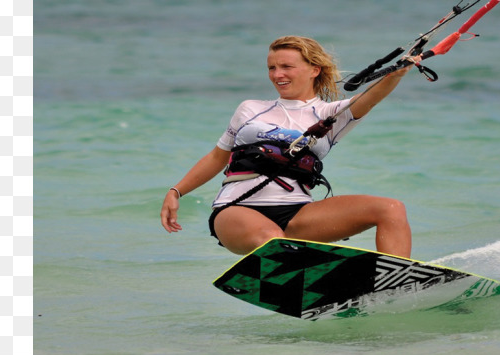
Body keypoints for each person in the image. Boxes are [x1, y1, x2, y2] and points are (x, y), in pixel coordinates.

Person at [160, 35, 413, 258]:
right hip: (237, 209)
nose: (277, 74)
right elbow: (218, 157)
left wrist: (398, 73)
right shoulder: (250, 109)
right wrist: (176, 191)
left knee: (391, 209)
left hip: (297, 213)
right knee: (272, 239)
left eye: (286, 67)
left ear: (314, 70)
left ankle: (398, 283)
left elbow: (372, 97)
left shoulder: (332, 114)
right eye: (272, 67)